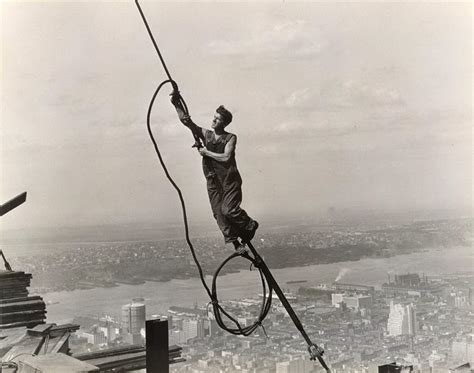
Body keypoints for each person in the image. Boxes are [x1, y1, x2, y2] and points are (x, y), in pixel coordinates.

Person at [171, 92, 258, 252]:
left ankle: (250, 225)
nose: (213, 120)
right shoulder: (207, 135)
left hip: (229, 181)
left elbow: (226, 157)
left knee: (229, 210)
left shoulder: (230, 138)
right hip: (213, 180)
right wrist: (176, 103)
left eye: (217, 119)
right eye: (214, 117)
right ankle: (236, 244)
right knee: (219, 214)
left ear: (224, 123)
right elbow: (188, 122)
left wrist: (206, 153)